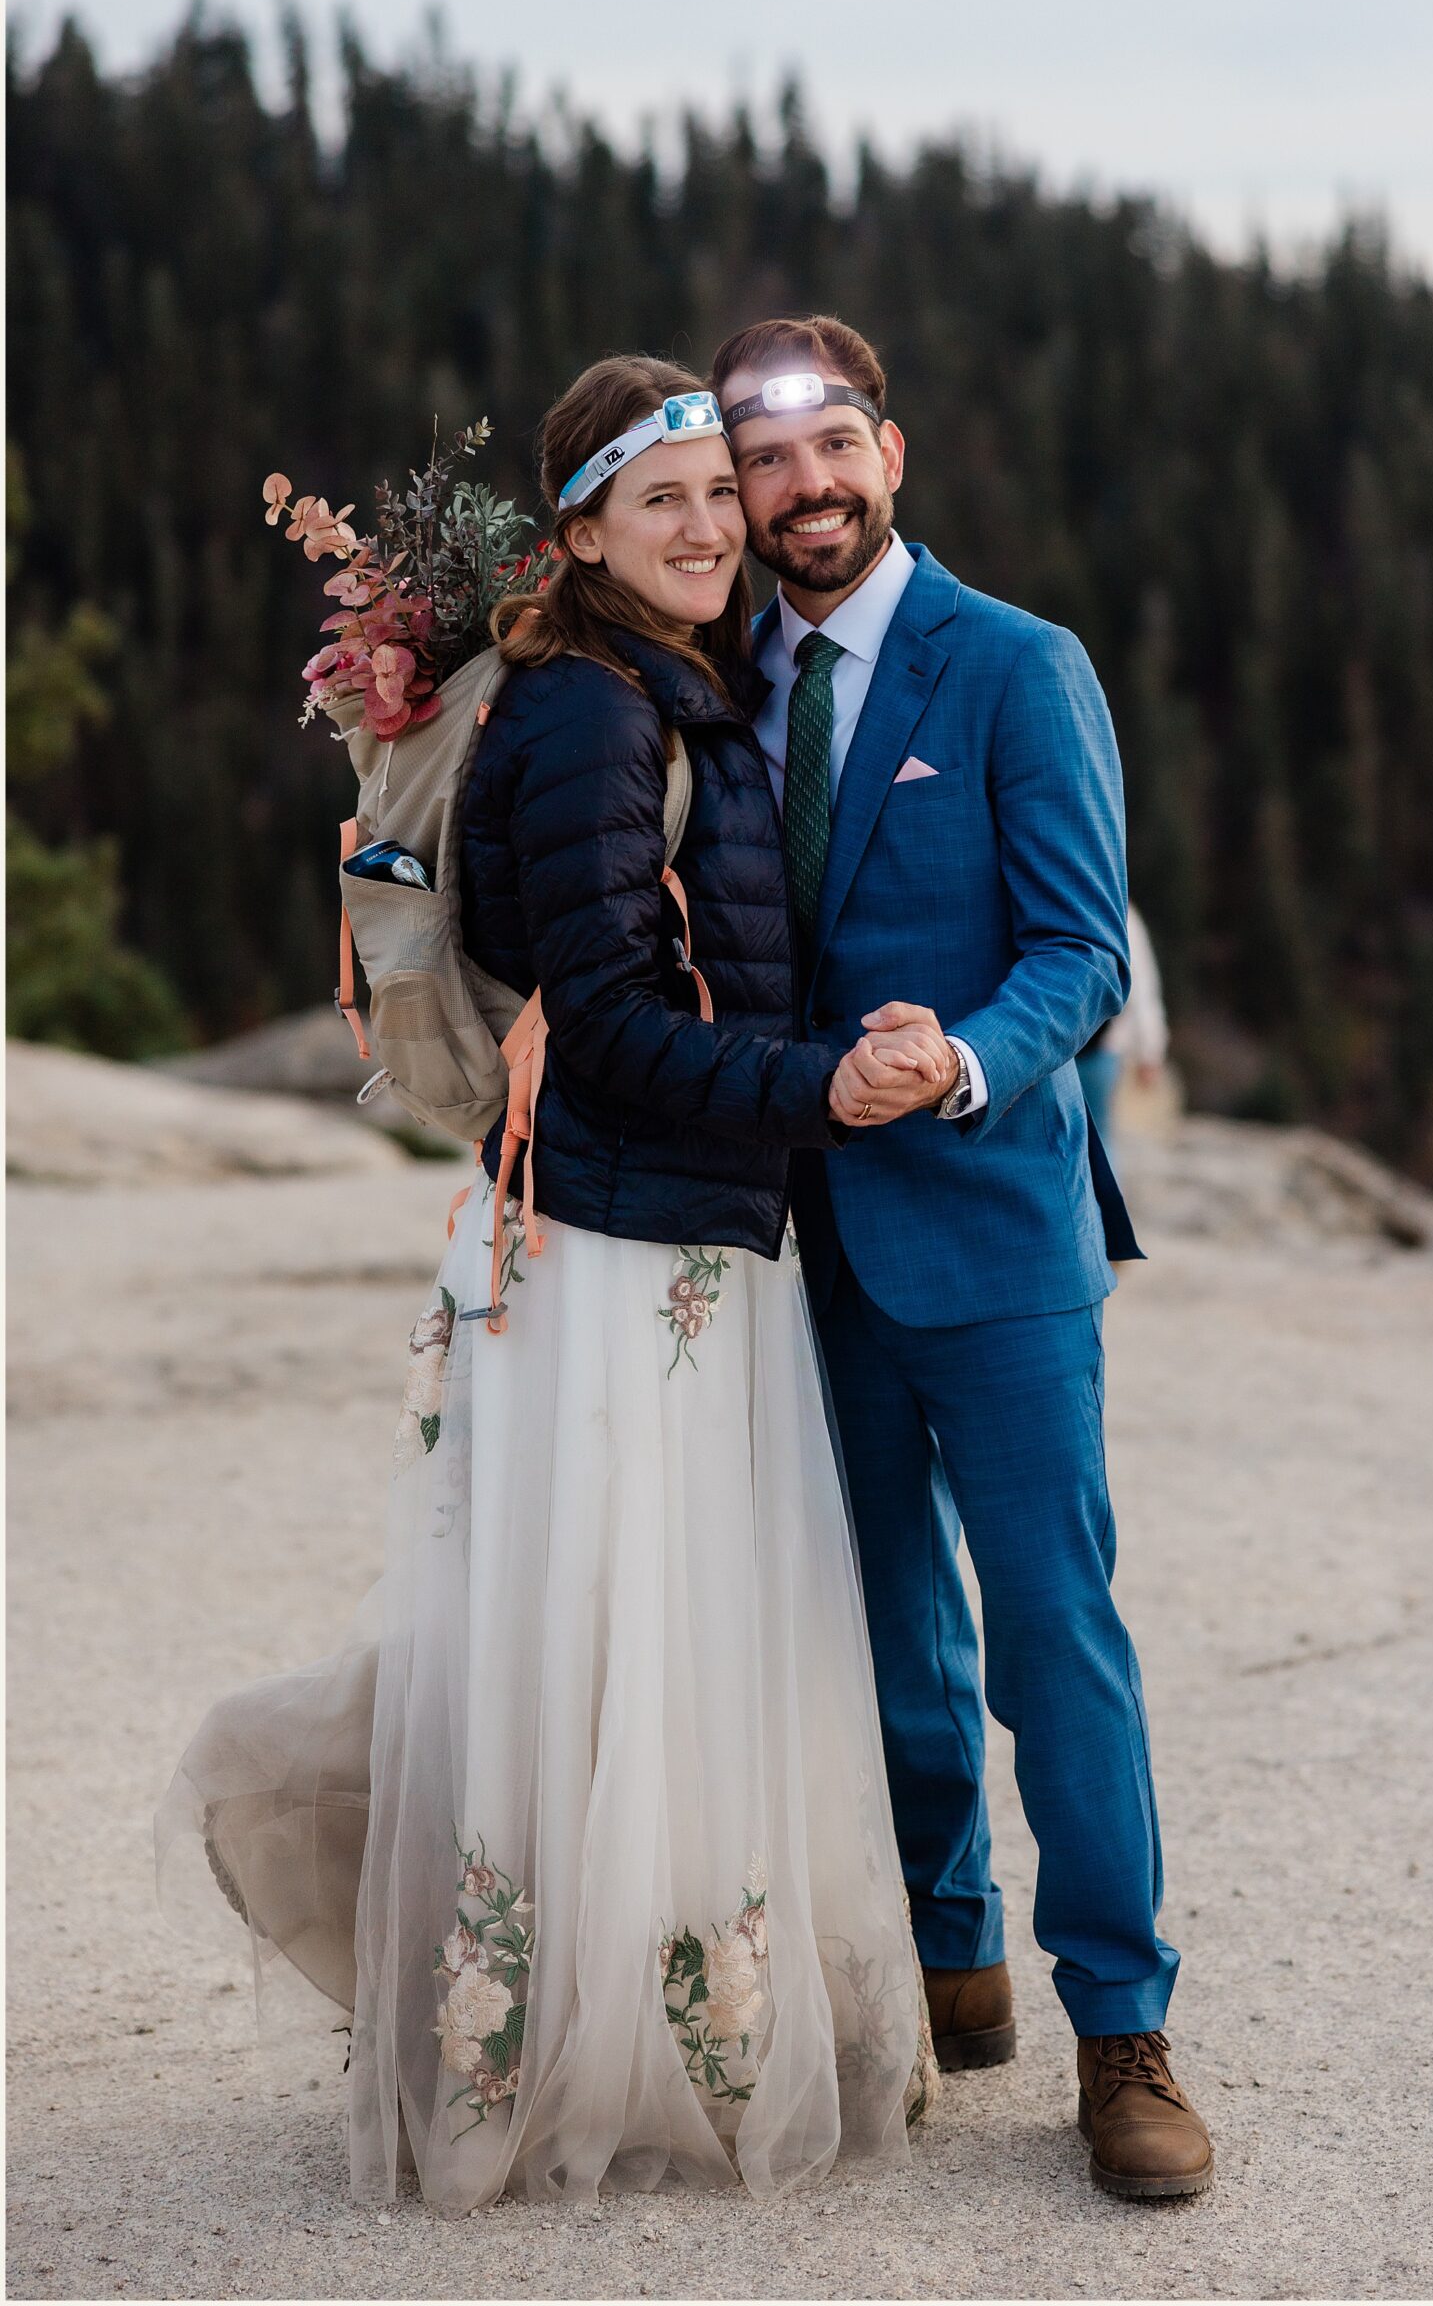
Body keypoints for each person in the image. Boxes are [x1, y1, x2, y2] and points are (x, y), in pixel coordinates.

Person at [157, 356, 944, 2215]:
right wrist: (814, 1088)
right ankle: (564, 2063)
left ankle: (643, 2033)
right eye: (650, 496)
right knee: (618, 1644)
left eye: (709, 489)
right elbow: (597, 1023)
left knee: (628, 1644)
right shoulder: (593, 716)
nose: (699, 523)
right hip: (615, 1243)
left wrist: (805, 1068)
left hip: (669, 1228)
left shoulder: (677, 684)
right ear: (579, 530)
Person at [709, 313, 1214, 2201]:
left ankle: (1125, 2033)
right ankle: (950, 1966)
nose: (803, 487)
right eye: (767, 462)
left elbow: (1085, 948)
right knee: (883, 1642)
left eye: (830, 447)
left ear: (890, 454)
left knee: (1049, 1645)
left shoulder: (1012, 665)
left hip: (994, 1228)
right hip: (793, 1240)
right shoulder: (723, 675)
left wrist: (970, 1060)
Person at [1076, 902, 1169, 1148]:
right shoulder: (1121, 910)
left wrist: (1150, 1050)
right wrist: (1150, 1052)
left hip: (1092, 1047)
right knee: (1099, 1136)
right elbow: (1142, 987)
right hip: (1104, 1046)